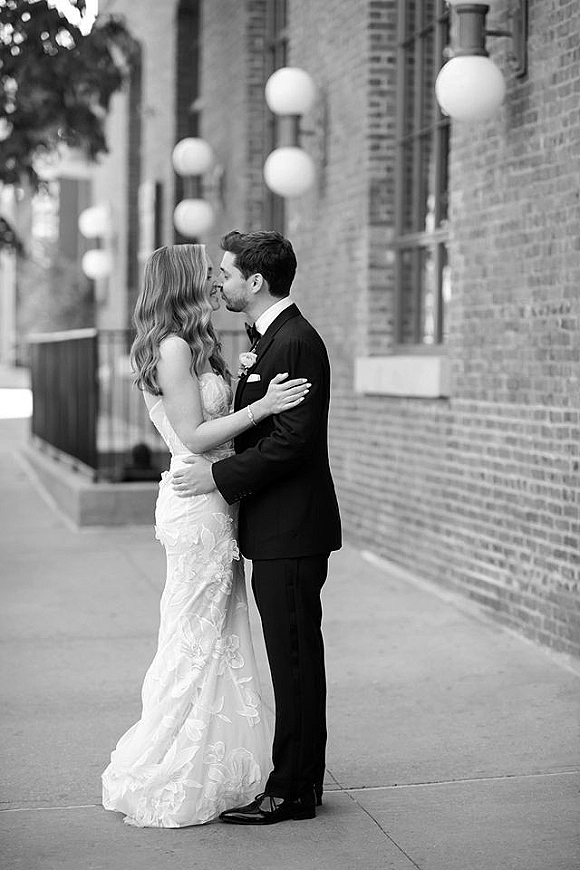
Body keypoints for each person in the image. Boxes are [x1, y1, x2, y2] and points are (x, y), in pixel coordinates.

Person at [101, 243, 310, 827]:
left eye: (222, 274)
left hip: (216, 500)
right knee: (194, 633)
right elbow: (193, 435)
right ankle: (173, 761)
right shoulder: (171, 347)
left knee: (218, 633)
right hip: (197, 502)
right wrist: (263, 406)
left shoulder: (193, 344)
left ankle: (219, 761)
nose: (217, 282)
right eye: (208, 275)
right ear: (183, 285)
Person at [171, 230, 342, 825]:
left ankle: (291, 790)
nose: (220, 282)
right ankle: (302, 780)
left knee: (293, 659)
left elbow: (293, 443)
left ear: (256, 280)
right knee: (293, 657)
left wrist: (218, 478)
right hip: (277, 527)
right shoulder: (269, 338)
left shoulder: (294, 342)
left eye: (226, 273)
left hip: (290, 528)